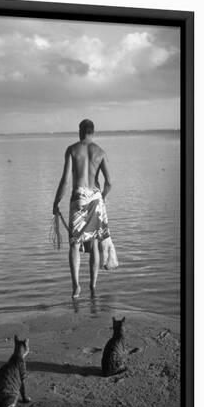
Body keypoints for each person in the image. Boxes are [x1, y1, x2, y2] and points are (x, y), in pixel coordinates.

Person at [53, 119, 112, 298]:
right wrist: (103, 197)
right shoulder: (101, 152)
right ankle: (93, 286)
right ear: (92, 132)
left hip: (78, 197)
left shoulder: (72, 150)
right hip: (95, 198)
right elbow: (109, 183)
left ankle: (76, 286)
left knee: (75, 243)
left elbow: (65, 181)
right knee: (94, 242)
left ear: (80, 131)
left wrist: (56, 202)